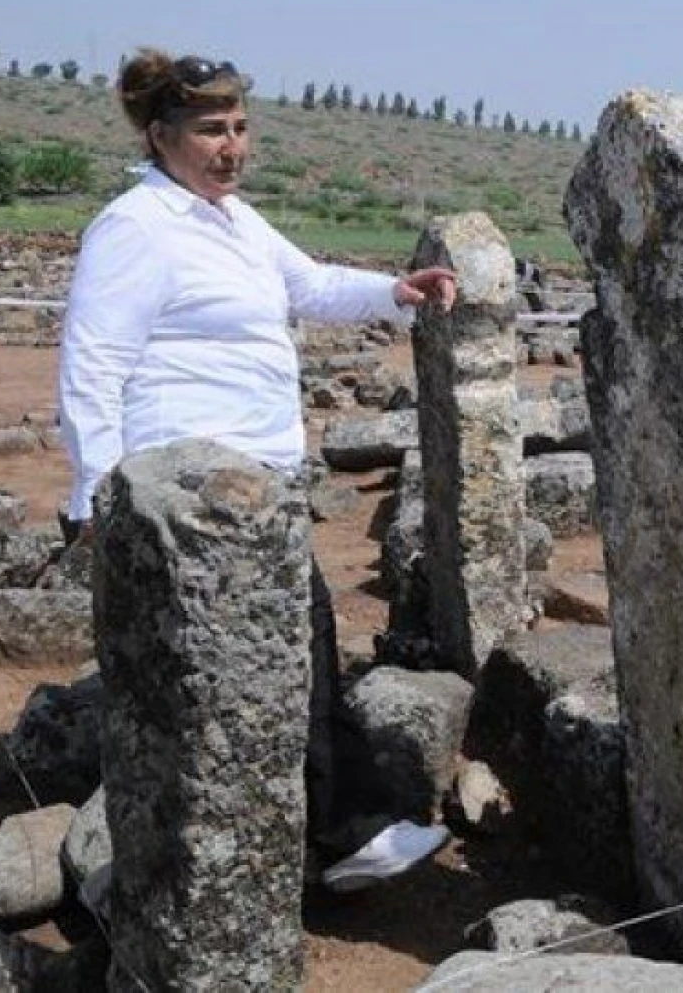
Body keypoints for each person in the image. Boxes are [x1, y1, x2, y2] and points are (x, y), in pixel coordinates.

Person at [58, 48, 459, 893]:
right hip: (188, 497)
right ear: (162, 135)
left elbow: (308, 284)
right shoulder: (135, 227)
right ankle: (328, 836)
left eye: (240, 126)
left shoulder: (234, 221)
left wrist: (399, 289)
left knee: (299, 654)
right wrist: (95, 491)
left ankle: (323, 839)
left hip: (261, 490)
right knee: (248, 672)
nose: (232, 145)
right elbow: (92, 366)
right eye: (211, 129)